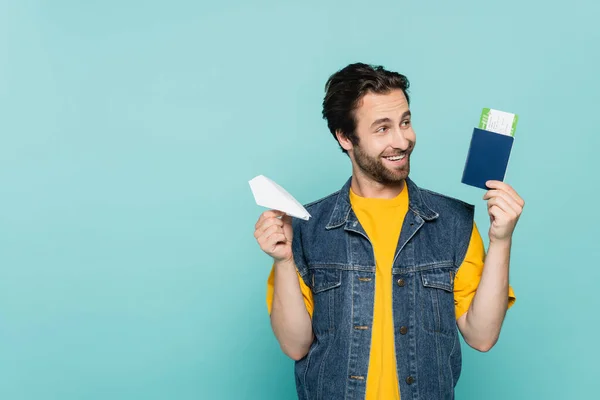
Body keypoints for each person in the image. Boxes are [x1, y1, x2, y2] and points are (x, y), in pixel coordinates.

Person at [253, 62, 523, 400]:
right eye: (382, 128)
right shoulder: (307, 226)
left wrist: (501, 240)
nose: (402, 140)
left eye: (405, 122)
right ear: (345, 137)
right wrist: (282, 260)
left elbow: (482, 337)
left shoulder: (453, 223)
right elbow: (295, 346)